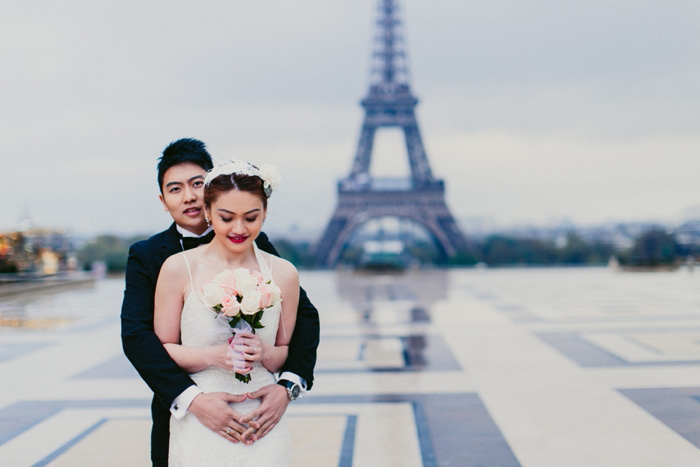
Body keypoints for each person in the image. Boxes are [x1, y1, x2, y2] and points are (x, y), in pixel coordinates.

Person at [120, 139, 319, 466]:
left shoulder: (253, 241)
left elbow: (304, 318)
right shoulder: (148, 256)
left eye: (197, 184)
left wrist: (288, 386)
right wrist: (195, 401)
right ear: (162, 199)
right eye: (175, 189)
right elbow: (138, 338)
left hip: (259, 413)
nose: (189, 196)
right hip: (185, 408)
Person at [154, 160, 296, 465]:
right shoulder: (177, 269)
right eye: (226, 217)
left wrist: (263, 352)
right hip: (202, 414)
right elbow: (162, 348)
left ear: (265, 212)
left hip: (263, 418)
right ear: (208, 212)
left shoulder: (284, 273)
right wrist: (216, 357)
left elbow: (284, 352)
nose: (239, 228)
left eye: (251, 217)